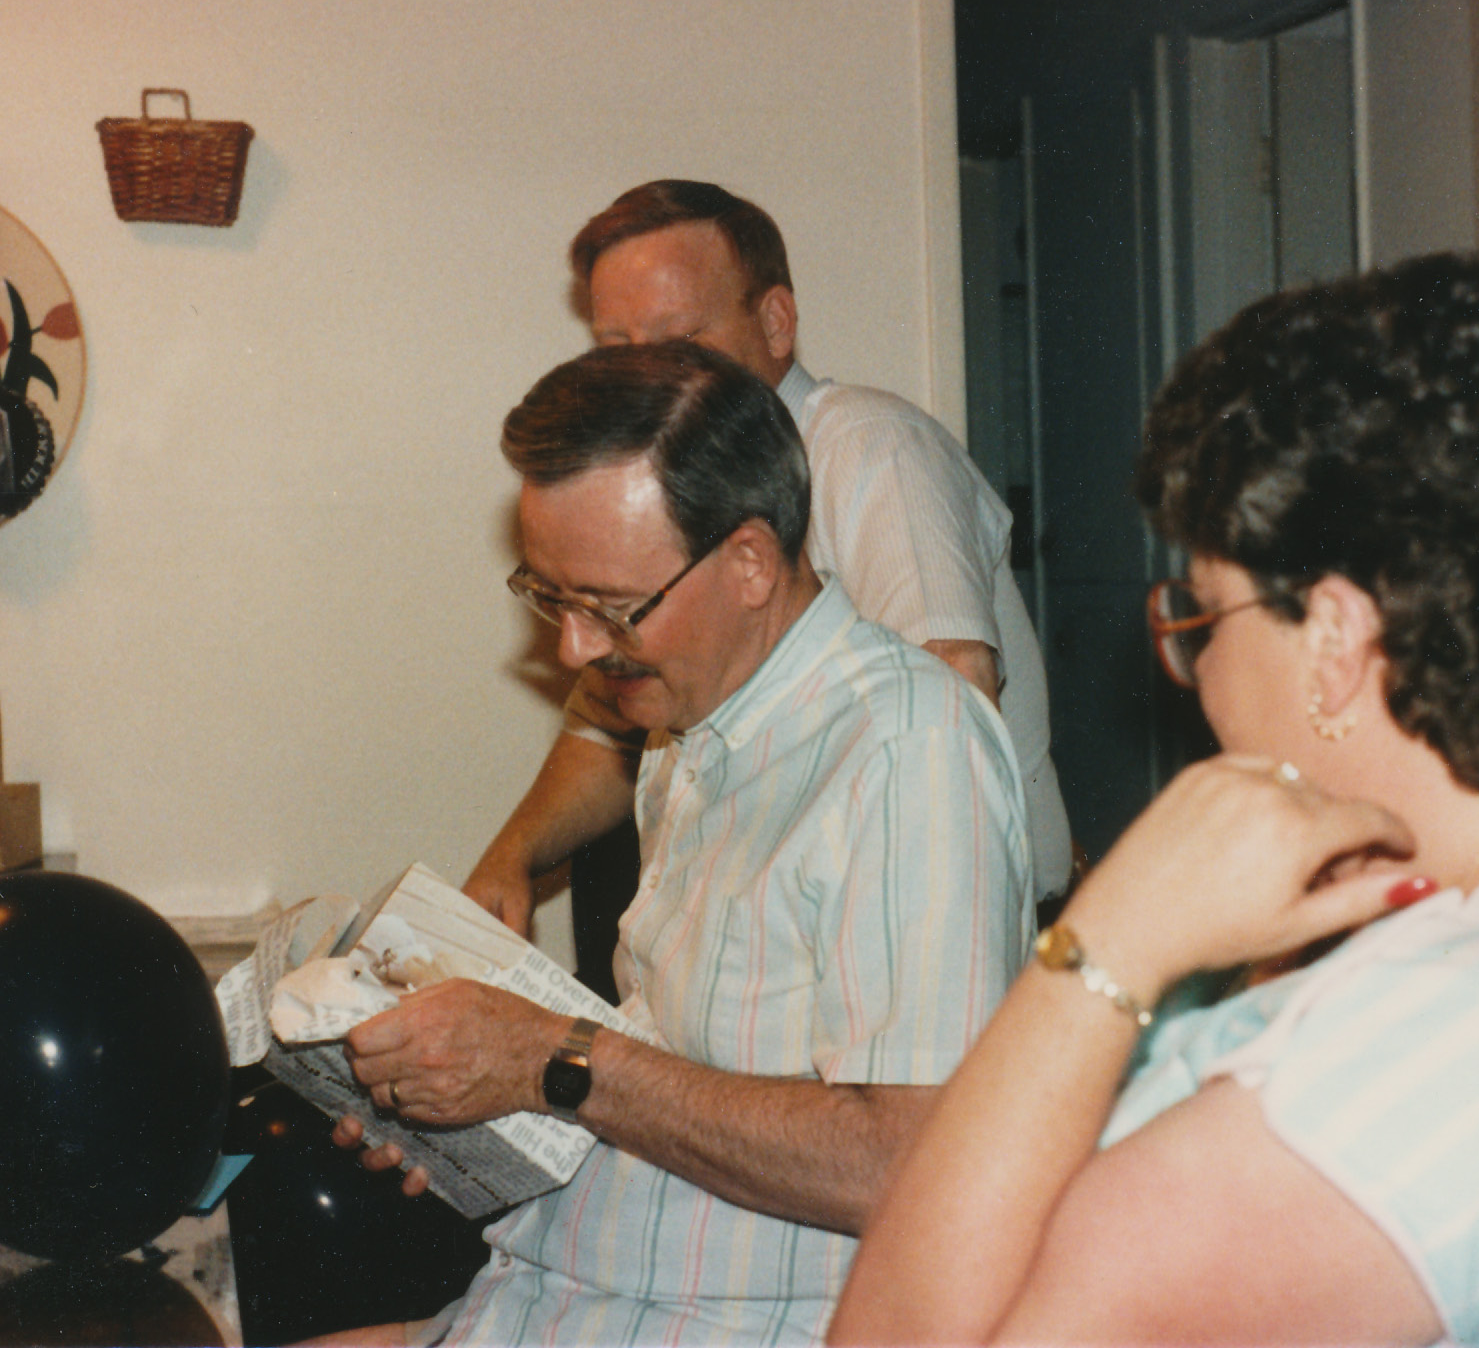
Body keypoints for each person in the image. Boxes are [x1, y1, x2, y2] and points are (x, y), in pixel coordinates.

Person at [828, 253, 1479, 1345]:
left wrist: (1104, 943)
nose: (1195, 677)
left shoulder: (1394, 1084)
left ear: (1335, 640)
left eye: (1202, 618)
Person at [328, 341, 1034, 1346]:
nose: (574, 648)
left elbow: (912, 1161)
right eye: (551, 596)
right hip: (559, 1291)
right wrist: (478, 1105)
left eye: (610, 607)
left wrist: (551, 1060)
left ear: (749, 560)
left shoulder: (908, 745)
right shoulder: (692, 722)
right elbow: (687, 1072)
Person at [464, 181, 1071, 932]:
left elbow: (952, 689)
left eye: (677, 342)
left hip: (933, 923)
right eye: (616, 349)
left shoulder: (870, 448)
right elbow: (612, 718)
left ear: (776, 321)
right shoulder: (670, 483)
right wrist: (514, 855)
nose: (643, 374)